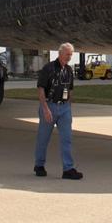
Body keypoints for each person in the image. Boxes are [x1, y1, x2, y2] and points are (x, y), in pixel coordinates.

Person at [34, 43, 83, 179]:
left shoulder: (68, 70)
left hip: (64, 108)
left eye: (71, 55)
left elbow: (70, 89)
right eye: (67, 54)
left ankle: (68, 169)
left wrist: (69, 107)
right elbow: (41, 89)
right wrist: (45, 108)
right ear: (60, 54)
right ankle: (39, 165)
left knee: (66, 139)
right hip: (49, 106)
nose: (69, 57)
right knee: (43, 138)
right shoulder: (48, 68)